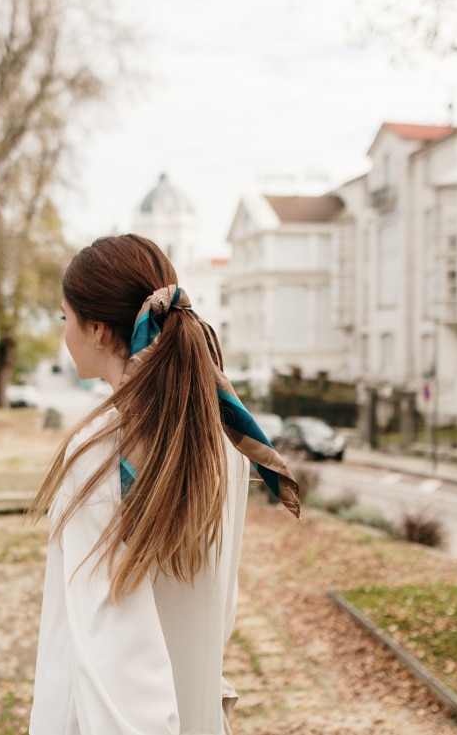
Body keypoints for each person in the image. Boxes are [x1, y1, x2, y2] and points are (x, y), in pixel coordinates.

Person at [28, 234, 300, 734]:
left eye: (64, 317)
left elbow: (115, 658)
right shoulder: (222, 440)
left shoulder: (97, 453)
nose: (64, 333)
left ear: (95, 328)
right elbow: (219, 609)